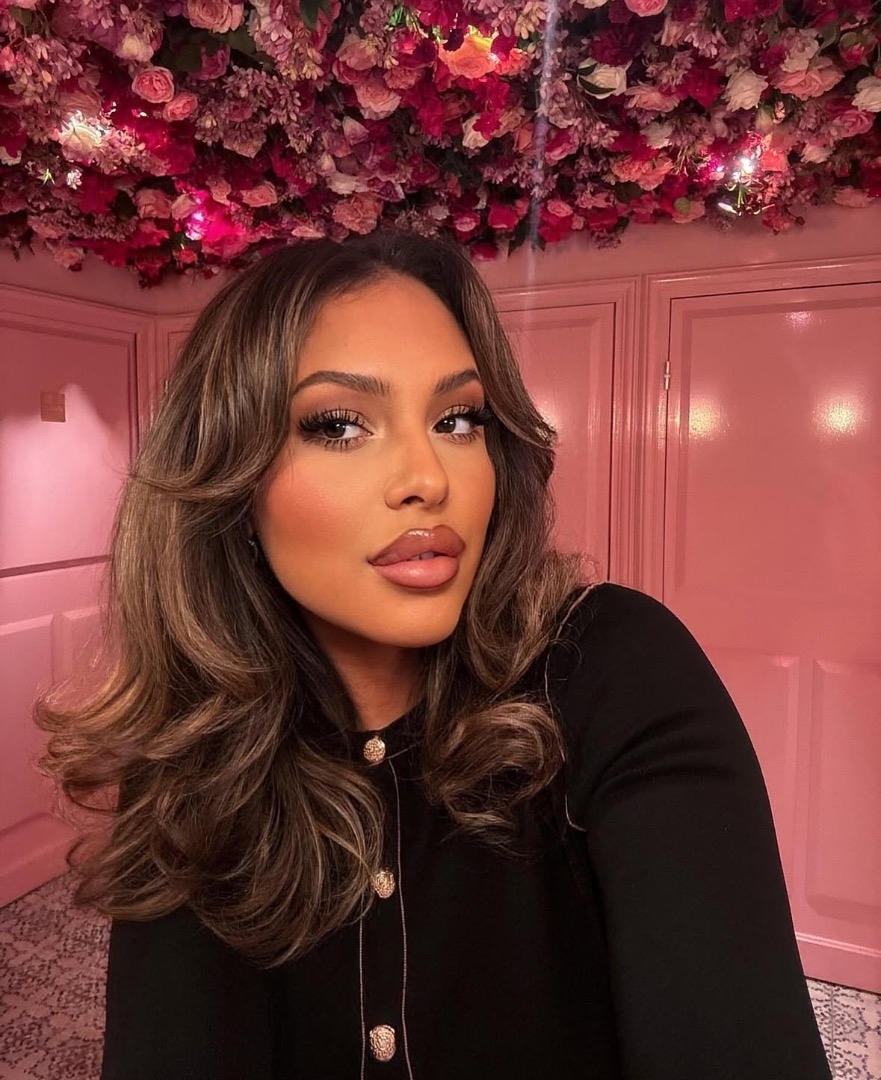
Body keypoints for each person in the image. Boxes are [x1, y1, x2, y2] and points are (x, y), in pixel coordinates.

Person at [36, 230, 832, 1080]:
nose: (428, 477)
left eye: (457, 420)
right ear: (229, 480)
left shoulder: (612, 668)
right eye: (339, 424)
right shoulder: (196, 748)